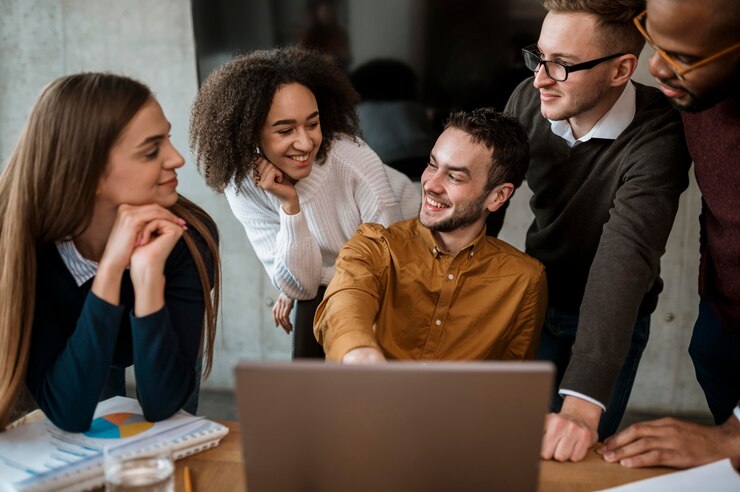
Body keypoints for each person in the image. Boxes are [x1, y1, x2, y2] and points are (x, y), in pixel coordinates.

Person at [503, 0, 692, 462]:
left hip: (614, 317)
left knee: (571, 455)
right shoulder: (530, 100)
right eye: (539, 56)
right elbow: (484, 199)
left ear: (621, 69)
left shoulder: (660, 135)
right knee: (514, 448)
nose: (540, 78)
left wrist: (583, 405)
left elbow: (625, 258)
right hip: (537, 296)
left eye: (563, 65)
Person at [0, 73, 220, 433]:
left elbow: (165, 405)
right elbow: (69, 412)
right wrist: (110, 272)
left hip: (145, 343)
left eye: (169, 139)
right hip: (77, 349)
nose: (178, 159)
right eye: (151, 150)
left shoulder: (187, 238)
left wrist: (148, 275)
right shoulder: (18, 246)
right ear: (90, 172)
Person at [189, 47, 409, 359]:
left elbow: (392, 271)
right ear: (250, 135)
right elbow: (301, 287)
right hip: (345, 276)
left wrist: (306, 280)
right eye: (285, 129)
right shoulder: (241, 186)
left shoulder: (354, 162)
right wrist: (290, 206)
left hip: (413, 258)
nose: (306, 142)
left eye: (312, 123)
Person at [599, 0, 740, 469]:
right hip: (722, 320)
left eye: (683, 55)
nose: (655, 65)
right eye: (652, 37)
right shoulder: (694, 90)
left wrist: (735, 441)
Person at [314, 108, 547, 364]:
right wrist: (357, 351)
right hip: (373, 399)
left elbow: (513, 386)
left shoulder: (524, 280)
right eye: (432, 165)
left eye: (455, 176)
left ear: (498, 196)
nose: (431, 185)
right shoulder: (375, 244)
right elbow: (344, 303)